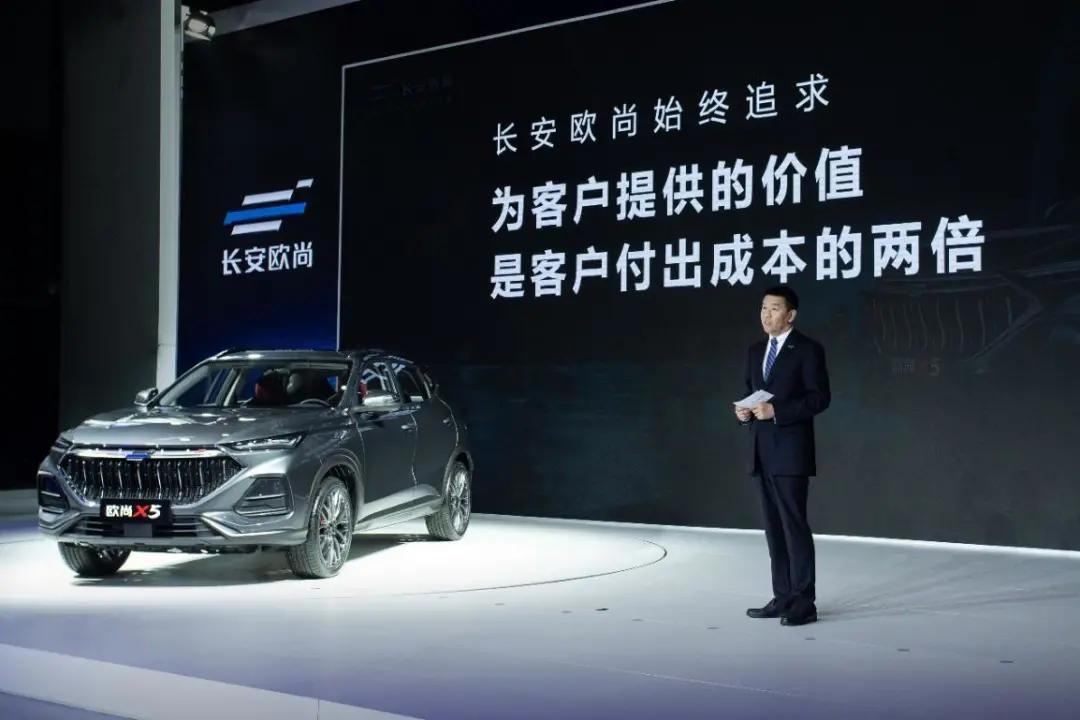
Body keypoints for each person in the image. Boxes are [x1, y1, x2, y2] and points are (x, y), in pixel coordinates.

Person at [735, 285, 830, 626]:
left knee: (793, 527)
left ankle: (804, 601)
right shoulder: (755, 350)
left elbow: (819, 398)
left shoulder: (807, 349)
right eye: (763, 308)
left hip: (790, 453)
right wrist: (744, 412)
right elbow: (751, 392)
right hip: (760, 452)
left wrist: (777, 411)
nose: (766, 314)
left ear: (790, 315)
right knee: (773, 529)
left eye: (774, 308)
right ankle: (783, 596)